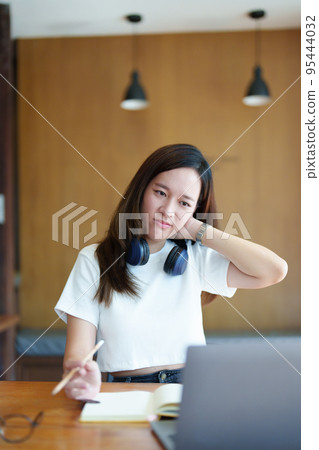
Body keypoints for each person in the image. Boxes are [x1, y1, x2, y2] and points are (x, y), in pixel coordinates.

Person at [54, 143, 288, 400]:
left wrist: (197, 230)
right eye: (161, 193)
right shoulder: (94, 259)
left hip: (191, 388)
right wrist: (82, 374)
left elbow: (273, 271)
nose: (168, 211)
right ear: (141, 189)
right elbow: (78, 353)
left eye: (184, 203)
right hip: (123, 390)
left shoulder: (196, 257)